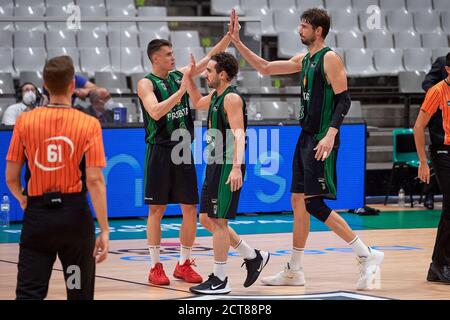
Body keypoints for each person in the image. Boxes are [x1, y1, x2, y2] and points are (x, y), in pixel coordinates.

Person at [228, 8, 384, 290]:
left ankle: (366, 253)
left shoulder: (330, 59)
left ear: (318, 31)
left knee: (313, 202)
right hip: (306, 136)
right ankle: (295, 270)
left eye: (303, 27)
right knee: (298, 201)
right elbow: (265, 68)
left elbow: (344, 100)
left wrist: (330, 134)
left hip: (322, 138)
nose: (299, 31)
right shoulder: (306, 59)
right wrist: (237, 42)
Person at [5, 55, 110, 300]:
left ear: (45, 85)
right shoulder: (89, 123)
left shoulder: (25, 121)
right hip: (74, 219)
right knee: (77, 290)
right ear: (73, 84)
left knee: (30, 292)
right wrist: (104, 229)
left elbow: (11, 177)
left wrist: (23, 198)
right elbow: (95, 181)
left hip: (38, 218)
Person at [137, 35, 232, 286]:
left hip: (183, 149)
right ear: (156, 58)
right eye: (168, 54)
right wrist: (180, 93)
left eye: (172, 53)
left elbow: (208, 59)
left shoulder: (180, 75)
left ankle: (183, 263)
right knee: (156, 210)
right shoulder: (146, 83)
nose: (173, 57)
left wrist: (229, 38)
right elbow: (155, 112)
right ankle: (155, 266)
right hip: (159, 150)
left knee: (190, 208)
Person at [185, 52, 270, 294]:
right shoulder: (215, 95)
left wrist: (235, 167)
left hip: (227, 164)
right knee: (206, 218)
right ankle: (252, 256)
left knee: (219, 222)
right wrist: (189, 77)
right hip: (214, 163)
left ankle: (220, 279)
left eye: (209, 71)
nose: (205, 74)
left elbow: (239, 135)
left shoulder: (231, 99)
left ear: (222, 75)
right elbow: (196, 102)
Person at [414, 52, 450, 284]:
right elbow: (418, 127)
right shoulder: (437, 91)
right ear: (448, 70)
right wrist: (423, 162)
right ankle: (439, 264)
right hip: (443, 153)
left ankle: (438, 266)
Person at [420, 54, 449, 209]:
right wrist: (440, 97)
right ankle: (428, 195)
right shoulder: (442, 62)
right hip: (440, 117)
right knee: (438, 159)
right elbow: (427, 83)